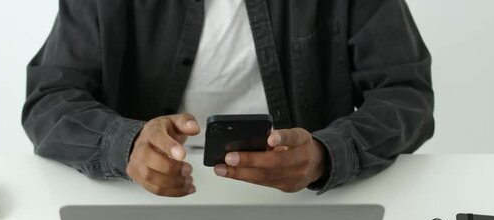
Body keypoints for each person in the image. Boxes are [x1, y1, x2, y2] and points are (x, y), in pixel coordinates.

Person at [22, 0, 434, 197]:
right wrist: (124, 145)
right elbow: (50, 99)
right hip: (145, 197)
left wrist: (326, 155)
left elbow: (405, 94)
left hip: (304, 196)